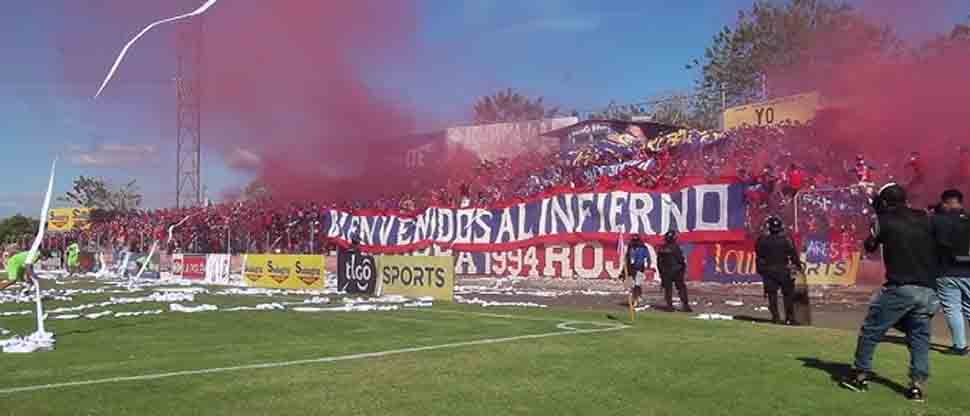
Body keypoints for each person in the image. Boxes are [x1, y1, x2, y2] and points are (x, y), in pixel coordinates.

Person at [841, 183, 939, 402]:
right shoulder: (925, 217)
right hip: (929, 290)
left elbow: (870, 246)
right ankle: (916, 386)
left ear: (885, 202)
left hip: (901, 287)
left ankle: (860, 376)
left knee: (871, 329)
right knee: (919, 337)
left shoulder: (883, 220)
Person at [931, 189, 970, 356]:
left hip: (946, 270)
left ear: (947, 202)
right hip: (968, 270)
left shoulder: (937, 220)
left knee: (953, 309)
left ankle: (960, 346)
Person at [755, 216, 803, 325]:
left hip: (769, 270)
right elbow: (793, 255)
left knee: (772, 295)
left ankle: (776, 318)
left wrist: (761, 270)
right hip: (783, 270)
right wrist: (798, 266)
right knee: (788, 295)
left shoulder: (762, 240)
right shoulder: (786, 240)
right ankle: (790, 319)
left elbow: (759, 254)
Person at [657, 230, 691, 312]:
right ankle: (685, 305)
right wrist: (683, 268)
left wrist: (661, 273)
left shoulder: (662, 248)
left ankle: (669, 306)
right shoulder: (676, 248)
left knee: (668, 289)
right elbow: (680, 259)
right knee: (681, 288)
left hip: (667, 272)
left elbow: (659, 262)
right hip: (677, 271)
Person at [624, 234, 650, 309]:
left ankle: (637, 298)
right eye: (633, 241)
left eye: (636, 241)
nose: (635, 243)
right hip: (631, 268)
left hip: (639, 268)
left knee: (637, 284)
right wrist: (625, 266)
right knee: (632, 285)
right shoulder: (630, 247)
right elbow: (627, 257)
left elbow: (647, 257)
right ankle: (635, 298)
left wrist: (648, 265)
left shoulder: (643, 248)